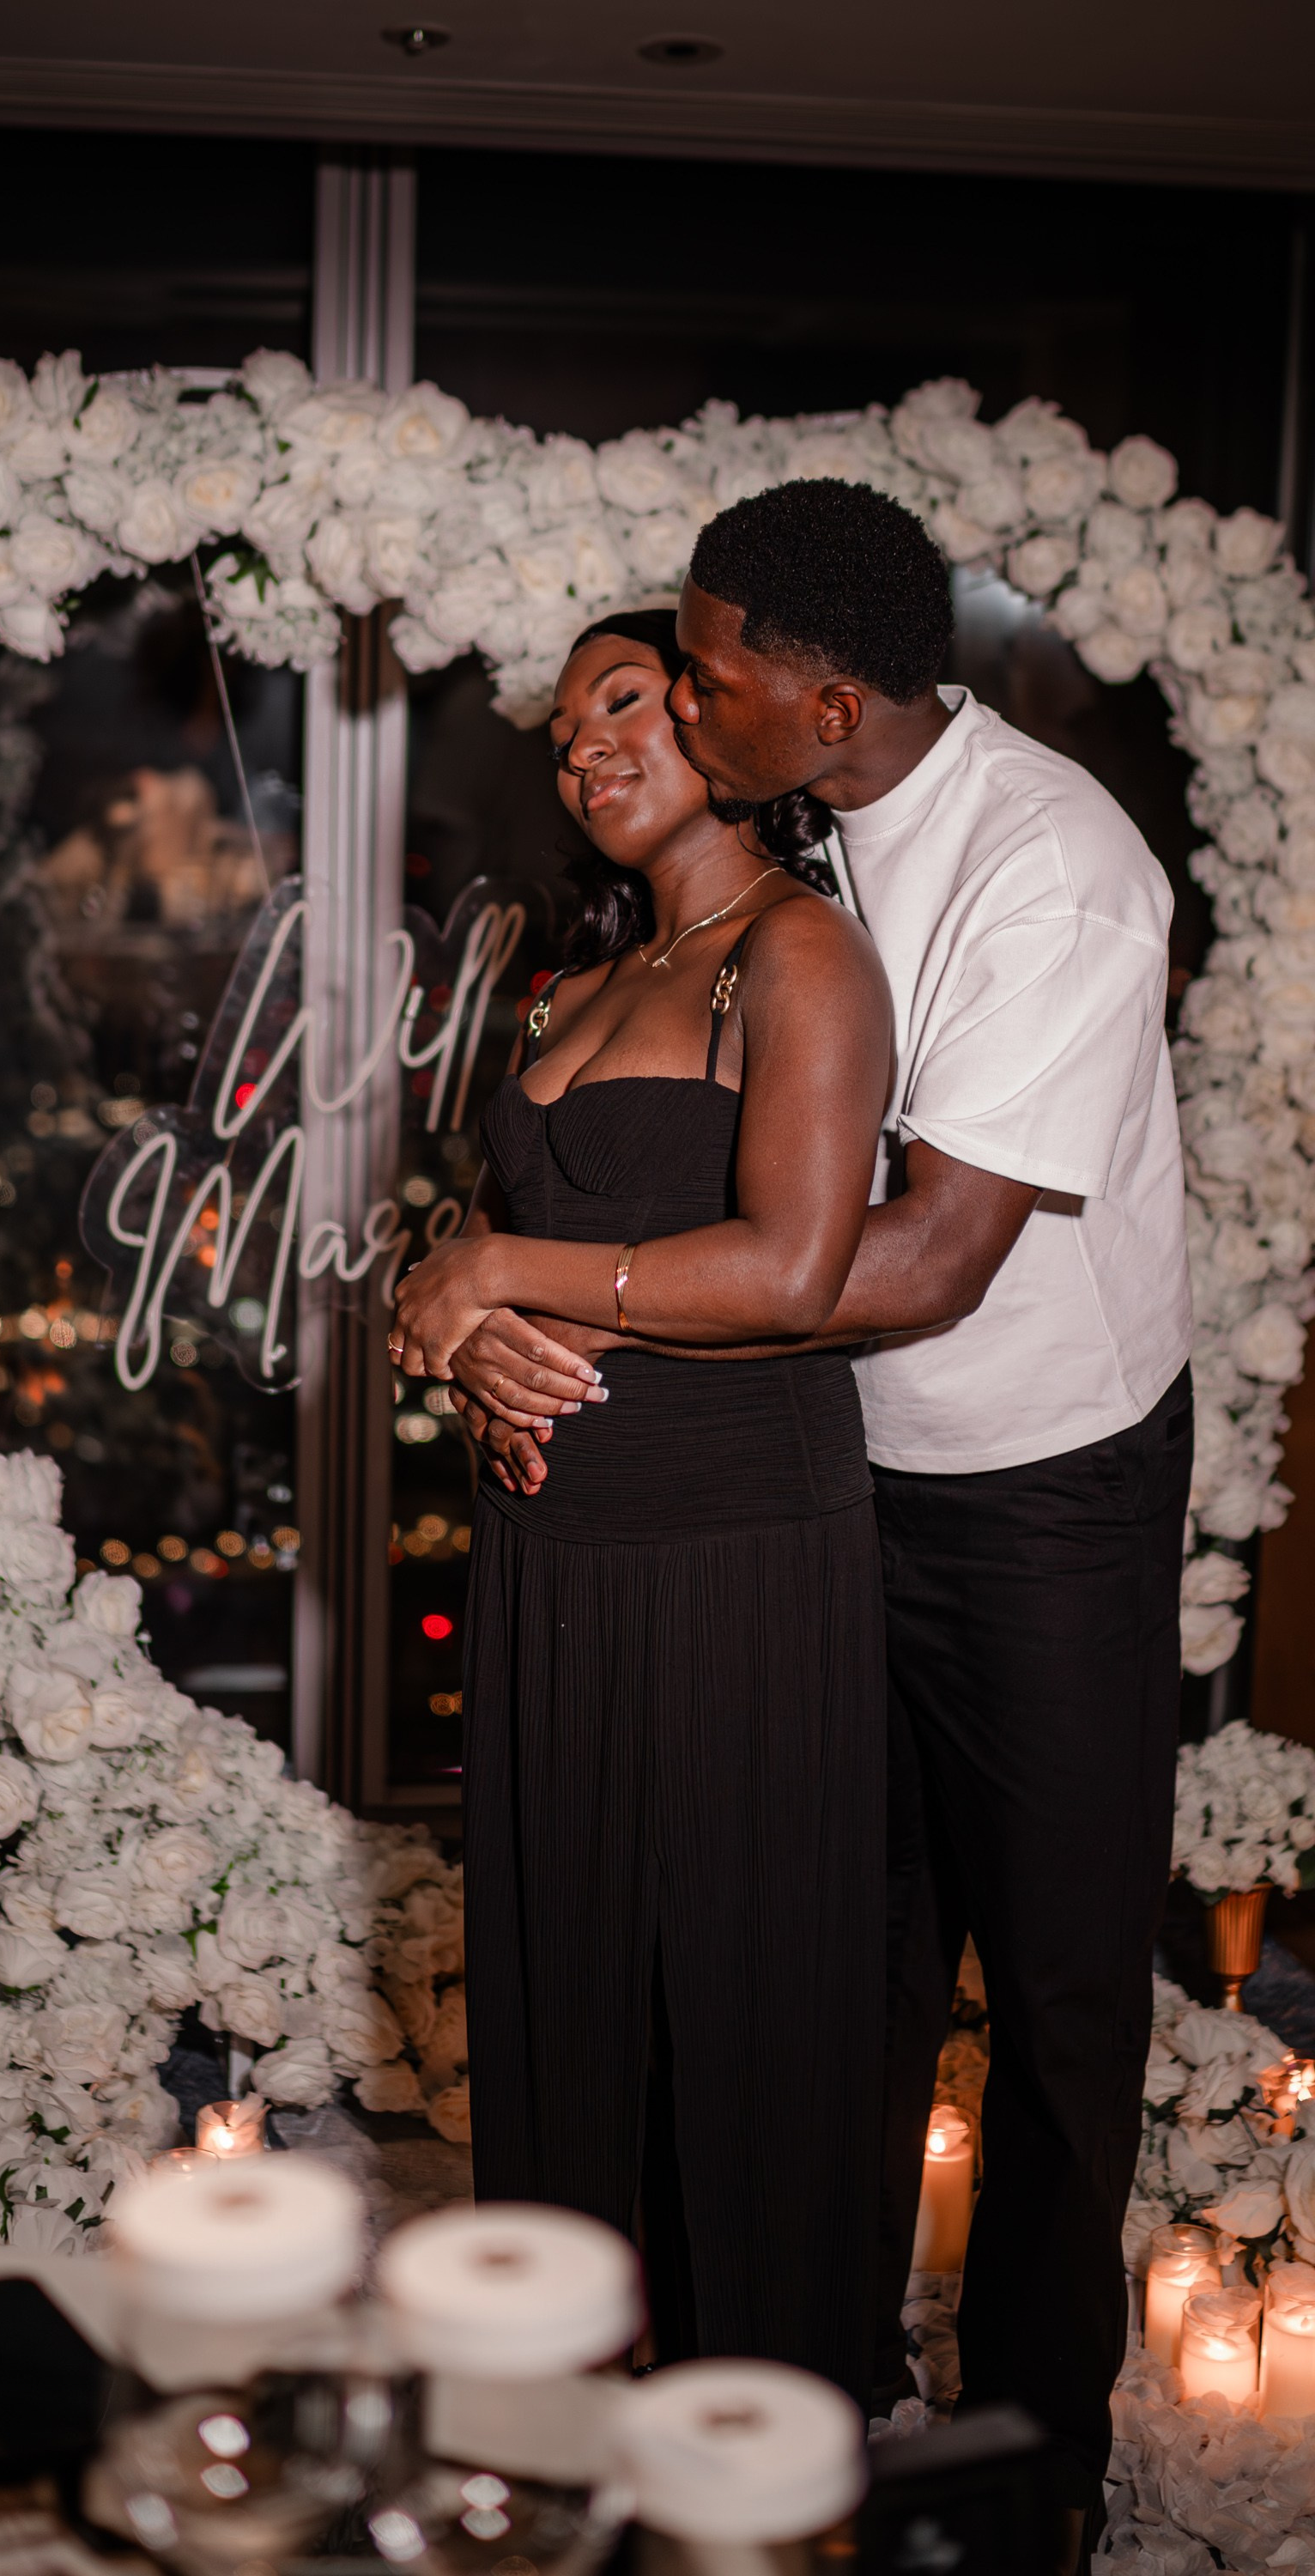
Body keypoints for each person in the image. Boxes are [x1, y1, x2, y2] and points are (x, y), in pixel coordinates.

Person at [451, 483, 1193, 2528]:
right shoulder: (802, 842)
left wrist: (538, 1312)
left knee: (1046, 1995)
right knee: (833, 1972)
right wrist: (510, 1329)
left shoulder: (1051, 870)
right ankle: (808, 2387)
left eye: (702, 675)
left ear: (825, 696)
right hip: (832, 1474)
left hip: (1039, 1486)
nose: (678, 707)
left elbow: (911, 1263)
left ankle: (1023, 2473)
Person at [391, 608, 895, 2401]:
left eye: (625, 705)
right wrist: (469, 1352)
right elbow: (483, 1299)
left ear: (716, 719)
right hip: (551, 1567)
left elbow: (787, 1272)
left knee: (744, 2032)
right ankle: (548, 2432)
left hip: (737, 1565)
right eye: (560, 730)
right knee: (567, 2021)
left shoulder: (799, 952)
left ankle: (758, 2455)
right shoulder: (566, 988)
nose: (582, 748)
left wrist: (493, 1266)